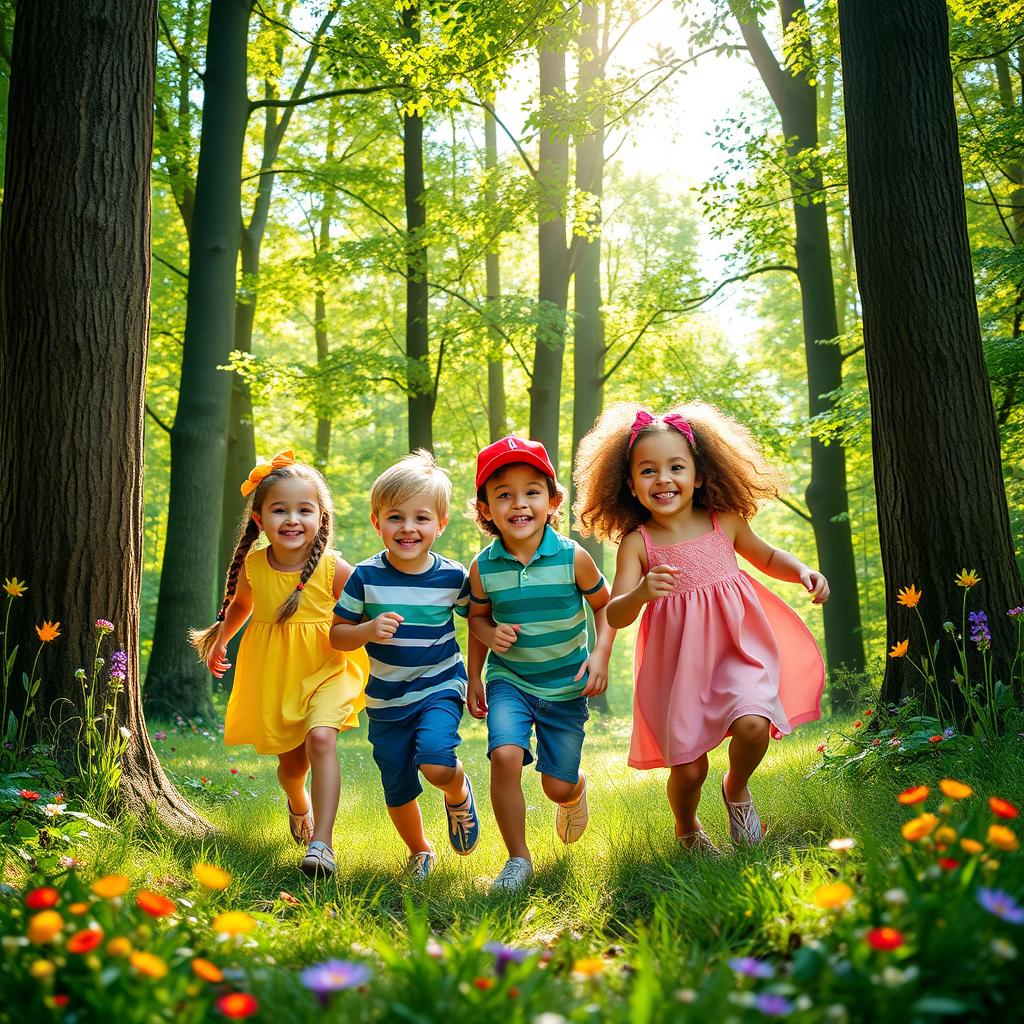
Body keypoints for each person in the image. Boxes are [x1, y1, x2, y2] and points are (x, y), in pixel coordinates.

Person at [573, 405, 826, 853]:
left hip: (737, 651)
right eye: (648, 471)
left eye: (676, 467)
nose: (663, 479)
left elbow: (766, 557)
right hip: (680, 671)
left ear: (700, 475)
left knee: (753, 724)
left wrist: (802, 570)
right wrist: (642, 593)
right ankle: (687, 827)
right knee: (689, 770)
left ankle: (737, 788)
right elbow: (615, 614)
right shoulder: (637, 544)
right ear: (630, 485)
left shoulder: (723, 522)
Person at [190, 450, 369, 878]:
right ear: (259, 519)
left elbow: (364, 613)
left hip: (329, 666)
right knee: (292, 768)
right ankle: (298, 801)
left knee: (322, 740)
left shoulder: (334, 568)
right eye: (280, 510)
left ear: (320, 516)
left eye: (304, 510)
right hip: (277, 672)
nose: (292, 519)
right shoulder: (254, 565)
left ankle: (323, 843)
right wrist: (219, 638)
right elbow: (242, 605)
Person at [467, 436, 614, 894]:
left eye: (532, 491)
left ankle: (573, 791)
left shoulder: (574, 557)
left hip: (566, 686)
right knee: (505, 755)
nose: (519, 503)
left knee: (556, 785)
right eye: (503, 494)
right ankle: (517, 859)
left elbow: (607, 608)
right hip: (510, 679)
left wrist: (600, 655)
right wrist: (481, 659)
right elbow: (477, 616)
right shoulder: (483, 567)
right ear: (486, 508)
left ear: (552, 502)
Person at [330, 450, 480, 880]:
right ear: (378, 523)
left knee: (435, 760)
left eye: (421, 518)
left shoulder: (453, 578)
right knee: (396, 785)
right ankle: (420, 851)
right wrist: (367, 630)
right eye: (396, 517)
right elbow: (337, 634)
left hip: (439, 686)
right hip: (386, 699)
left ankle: (457, 792)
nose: (408, 528)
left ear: (440, 524)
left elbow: (480, 618)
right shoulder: (365, 576)